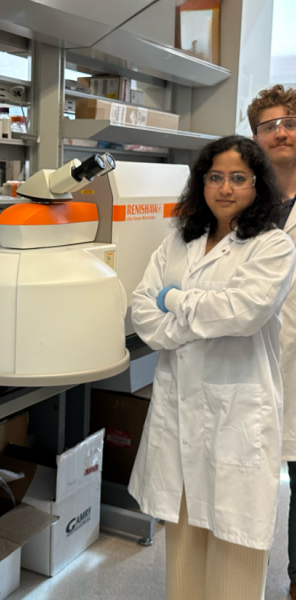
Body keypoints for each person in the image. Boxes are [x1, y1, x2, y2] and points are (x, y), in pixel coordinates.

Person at [128, 135, 296, 600]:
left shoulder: (273, 245)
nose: (225, 188)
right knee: (183, 547)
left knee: (235, 549)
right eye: (216, 177)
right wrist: (190, 319)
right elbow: (143, 311)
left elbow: (243, 314)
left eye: (239, 178)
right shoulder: (178, 241)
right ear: (202, 183)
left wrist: (175, 301)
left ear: (258, 185)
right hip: (180, 409)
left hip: (236, 412)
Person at [249, 84, 296, 600]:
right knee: (252, 475)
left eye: (290, 122)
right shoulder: (245, 200)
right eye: (268, 125)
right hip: (253, 354)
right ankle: (241, 579)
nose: (280, 132)